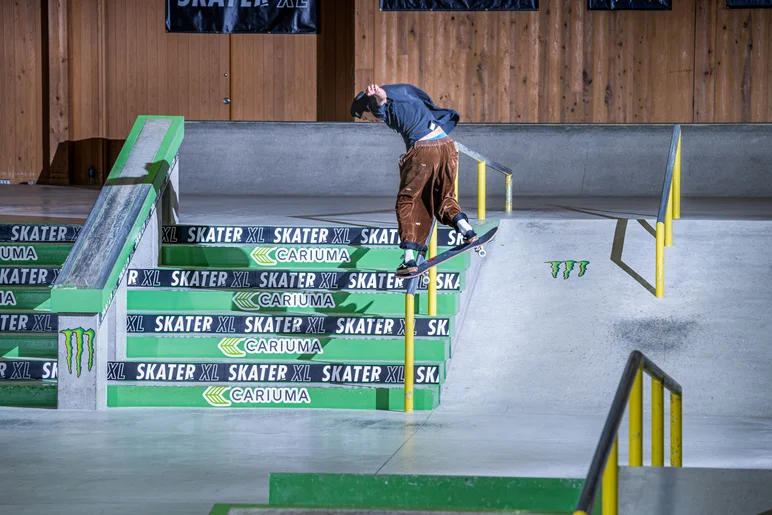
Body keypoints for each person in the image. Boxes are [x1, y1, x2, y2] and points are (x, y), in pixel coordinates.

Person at [350, 83, 477, 276]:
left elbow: (381, 102)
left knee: (407, 201)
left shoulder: (384, 106)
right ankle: (467, 230)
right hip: (447, 146)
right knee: (444, 196)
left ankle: (409, 258)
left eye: (368, 114)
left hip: (425, 150)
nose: (373, 118)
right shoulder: (409, 95)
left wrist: (376, 95)